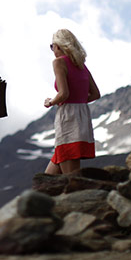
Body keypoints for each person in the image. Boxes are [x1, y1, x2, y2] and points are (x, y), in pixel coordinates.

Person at [43, 29, 101, 175]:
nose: (52, 50)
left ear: (59, 46)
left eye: (52, 46)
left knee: (71, 178)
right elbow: (95, 94)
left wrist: (50, 102)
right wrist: (79, 100)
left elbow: (63, 93)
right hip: (82, 117)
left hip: (68, 118)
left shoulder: (58, 62)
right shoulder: (81, 65)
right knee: (47, 181)